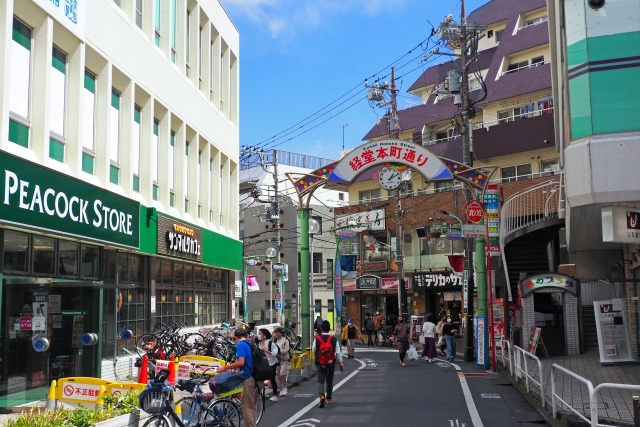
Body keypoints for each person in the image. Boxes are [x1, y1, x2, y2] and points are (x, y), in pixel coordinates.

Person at [217, 329, 260, 427]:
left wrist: (224, 367)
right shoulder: (251, 343)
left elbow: (240, 362)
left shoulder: (240, 344)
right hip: (259, 378)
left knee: (247, 407)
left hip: (249, 378)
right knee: (253, 407)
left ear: (235, 337)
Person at [313, 320, 344, 407]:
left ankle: (322, 396)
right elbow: (338, 352)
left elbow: (313, 350)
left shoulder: (317, 339)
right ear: (329, 329)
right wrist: (341, 362)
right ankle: (329, 398)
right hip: (331, 363)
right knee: (329, 381)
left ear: (321, 328)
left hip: (320, 363)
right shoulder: (333, 339)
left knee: (320, 381)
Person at [258, 328, 280, 401]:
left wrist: (266, 351)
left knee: (272, 379)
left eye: (260, 334)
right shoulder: (259, 343)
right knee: (261, 379)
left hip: (271, 363)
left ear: (264, 335)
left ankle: (275, 395)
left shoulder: (270, 343)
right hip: (262, 363)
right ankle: (262, 394)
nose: (259, 335)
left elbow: (274, 353)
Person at [273, 327, 290, 396]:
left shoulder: (286, 341)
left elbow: (286, 350)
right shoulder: (274, 341)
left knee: (282, 373)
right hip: (277, 360)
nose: (276, 334)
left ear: (280, 333)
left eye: (277, 333)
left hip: (284, 359)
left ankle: (285, 387)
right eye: (275, 333)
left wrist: (279, 351)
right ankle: (281, 388)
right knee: (278, 375)